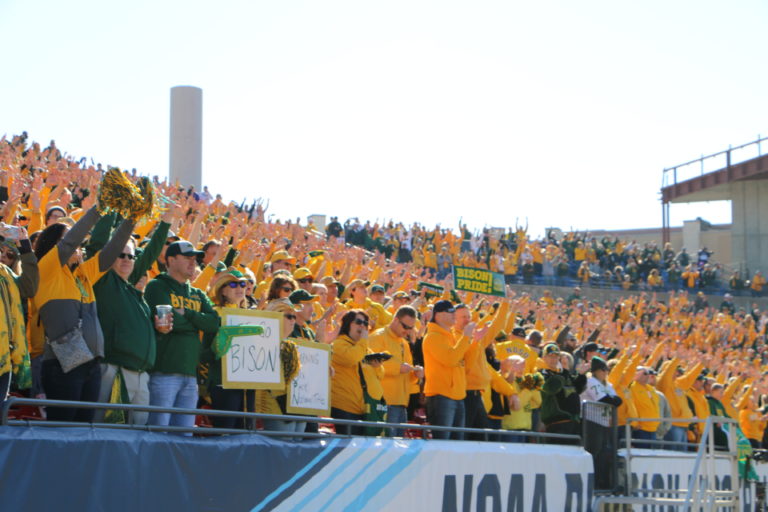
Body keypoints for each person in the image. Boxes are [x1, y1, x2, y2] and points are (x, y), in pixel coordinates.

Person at [34, 206, 135, 422]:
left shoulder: (82, 274)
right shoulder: (46, 268)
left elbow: (110, 253)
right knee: (63, 433)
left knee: (84, 431)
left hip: (91, 364)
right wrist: (99, 209)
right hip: (62, 364)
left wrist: (132, 219)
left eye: (81, 245)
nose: (79, 248)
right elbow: (69, 242)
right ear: (54, 246)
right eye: (74, 243)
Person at [91, 207, 175, 425]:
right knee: (108, 433)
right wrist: (110, 207)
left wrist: (165, 223)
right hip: (114, 370)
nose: (127, 259)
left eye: (131, 255)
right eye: (120, 254)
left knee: (136, 438)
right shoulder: (104, 281)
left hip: (141, 374)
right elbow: (98, 244)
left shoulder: (132, 290)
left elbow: (148, 255)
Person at [144, 240, 220, 431]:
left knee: (184, 436)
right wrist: (195, 324)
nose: (193, 262)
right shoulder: (157, 286)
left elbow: (214, 323)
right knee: (158, 433)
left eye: (195, 259)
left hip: (190, 376)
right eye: (187, 258)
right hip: (163, 372)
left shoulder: (197, 294)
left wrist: (188, 314)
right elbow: (170, 322)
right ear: (170, 259)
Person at [202, 267, 254, 429]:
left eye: (243, 284)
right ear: (222, 291)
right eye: (232, 285)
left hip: (248, 384)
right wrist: (219, 345)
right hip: (223, 382)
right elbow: (204, 354)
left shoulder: (253, 316)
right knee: (225, 433)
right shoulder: (215, 314)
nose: (239, 288)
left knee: (246, 434)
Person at [423, 300, 476, 440]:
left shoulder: (451, 337)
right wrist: (465, 337)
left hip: (457, 395)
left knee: (456, 446)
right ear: (438, 315)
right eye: (450, 311)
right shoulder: (432, 337)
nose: (454, 314)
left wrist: (475, 341)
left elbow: (465, 364)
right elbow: (451, 360)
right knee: (442, 443)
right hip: (441, 395)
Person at [368, 305, 423, 437]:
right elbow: (371, 364)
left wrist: (416, 375)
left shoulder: (404, 343)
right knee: (386, 446)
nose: (408, 332)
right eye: (406, 327)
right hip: (385, 403)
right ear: (396, 320)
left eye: (411, 328)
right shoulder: (377, 337)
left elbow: (407, 374)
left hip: (401, 404)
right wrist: (398, 368)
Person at [330, 310, 384, 436]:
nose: (362, 326)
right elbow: (352, 358)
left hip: (366, 409)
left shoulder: (364, 348)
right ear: (348, 324)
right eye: (358, 322)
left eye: (365, 323)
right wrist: (364, 341)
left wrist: (377, 367)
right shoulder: (338, 344)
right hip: (345, 408)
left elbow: (380, 375)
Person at [258, 299, 306, 437]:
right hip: (274, 407)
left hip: (293, 406)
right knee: (282, 449)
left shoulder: (290, 345)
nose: (293, 320)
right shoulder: (261, 343)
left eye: (294, 317)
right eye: (288, 316)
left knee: (295, 450)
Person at [539, 343, 587, 444]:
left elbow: (577, 388)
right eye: (550, 356)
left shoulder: (562, 374)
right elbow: (551, 388)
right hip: (556, 423)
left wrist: (581, 375)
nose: (553, 359)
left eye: (556, 356)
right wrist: (564, 371)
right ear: (544, 358)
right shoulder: (541, 374)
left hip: (573, 421)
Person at [629, 366, 660, 448]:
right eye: (645, 374)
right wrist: (635, 424)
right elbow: (631, 406)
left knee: (651, 456)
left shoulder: (650, 389)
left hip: (653, 428)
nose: (648, 376)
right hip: (641, 429)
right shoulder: (632, 388)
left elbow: (655, 406)